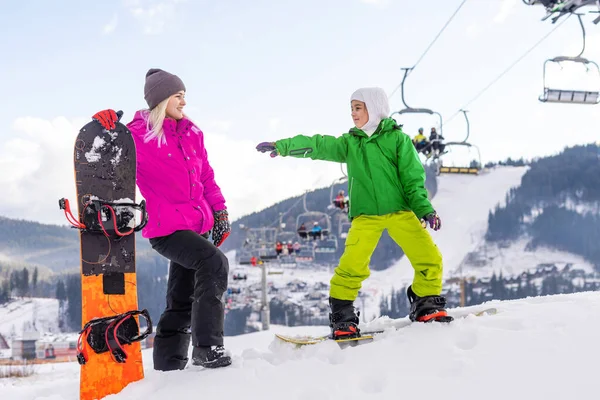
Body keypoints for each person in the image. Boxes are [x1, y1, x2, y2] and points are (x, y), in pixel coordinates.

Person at [256, 87, 450, 339]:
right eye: (351, 109)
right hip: (366, 215)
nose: (353, 113)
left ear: (375, 107)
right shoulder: (350, 143)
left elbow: (413, 179)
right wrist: (283, 146)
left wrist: (425, 209)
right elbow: (318, 145)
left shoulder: (398, 140)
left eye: (358, 108)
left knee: (428, 257)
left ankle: (426, 303)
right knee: (352, 266)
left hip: (400, 211)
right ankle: (343, 315)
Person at [91, 68, 232, 370]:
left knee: (181, 297)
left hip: (196, 227)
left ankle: (168, 365)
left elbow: (206, 176)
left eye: (184, 96)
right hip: (167, 230)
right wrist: (105, 129)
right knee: (215, 263)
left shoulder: (192, 133)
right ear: (161, 99)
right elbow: (110, 152)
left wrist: (219, 211)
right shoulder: (138, 136)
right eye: (178, 96)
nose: (184, 102)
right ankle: (208, 348)